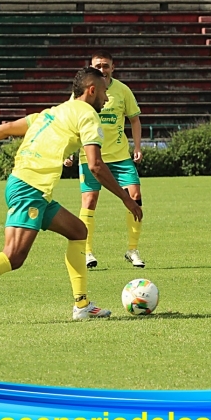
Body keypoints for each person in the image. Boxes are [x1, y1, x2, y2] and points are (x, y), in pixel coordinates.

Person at [0, 67, 143, 327]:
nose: (107, 99)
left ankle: (82, 305)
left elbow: (7, 128)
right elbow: (95, 166)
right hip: (30, 188)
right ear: (92, 90)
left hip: (30, 186)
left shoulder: (52, 112)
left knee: (78, 231)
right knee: (13, 257)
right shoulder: (87, 116)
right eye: (104, 92)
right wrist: (125, 198)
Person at [65, 51, 145, 268]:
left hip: (119, 156)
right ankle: (87, 251)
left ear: (113, 67)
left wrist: (137, 147)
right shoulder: (81, 92)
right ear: (91, 67)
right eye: (98, 66)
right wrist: (68, 152)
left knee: (135, 195)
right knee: (89, 201)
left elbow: (134, 120)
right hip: (90, 156)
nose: (102, 69)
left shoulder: (122, 90)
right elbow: (71, 122)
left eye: (106, 66)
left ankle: (133, 250)